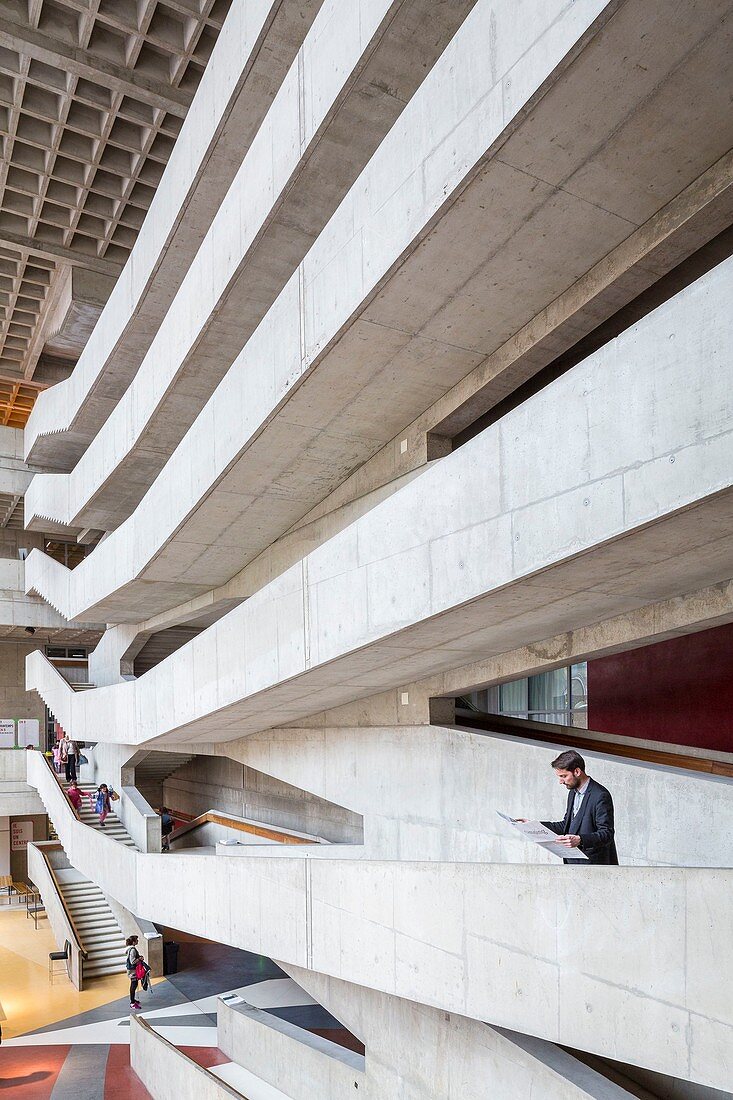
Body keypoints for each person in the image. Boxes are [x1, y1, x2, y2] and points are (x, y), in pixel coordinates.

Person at [531, 749, 618, 865]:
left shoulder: (601, 795)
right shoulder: (572, 792)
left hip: (594, 866)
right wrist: (533, 825)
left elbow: (607, 833)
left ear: (577, 772)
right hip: (573, 864)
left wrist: (580, 840)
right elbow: (566, 825)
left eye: (564, 776)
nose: (560, 781)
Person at [125, 935, 142, 1010]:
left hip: (132, 970)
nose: (138, 941)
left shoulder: (130, 949)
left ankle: (133, 1000)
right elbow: (132, 961)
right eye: (137, 940)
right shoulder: (132, 950)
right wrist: (139, 959)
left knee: (134, 985)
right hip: (132, 971)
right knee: (133, 985)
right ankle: (132, 1003)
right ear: (134, 942)